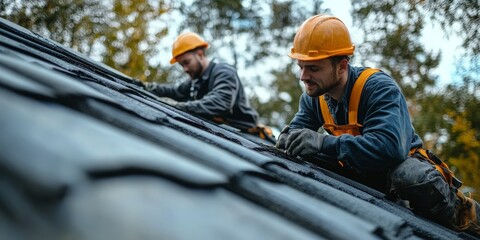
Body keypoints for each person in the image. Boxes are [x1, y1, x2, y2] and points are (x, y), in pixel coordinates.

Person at [276, 14, 479, 235]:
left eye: (313, 68)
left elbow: (389, 149)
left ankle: (461, 213)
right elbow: (295, 134)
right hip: (364, 176)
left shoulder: (378, 88)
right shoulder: (313, 97)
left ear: (342, 66)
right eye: (301, 67)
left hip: (403, 177)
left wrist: (322, 143)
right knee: (305, 151)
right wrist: (291, 139)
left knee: (409, 175)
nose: (303, 76)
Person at [144, 32, 273, 142]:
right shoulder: (195, 80)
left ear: (200, 54)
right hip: (222, 132)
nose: (185, 69)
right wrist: (148, 87)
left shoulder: (224, 72)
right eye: (181, 65)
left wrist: (179, 106)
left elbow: (220, 102)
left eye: (187, 62)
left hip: (247, 137)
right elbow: (175, 92)